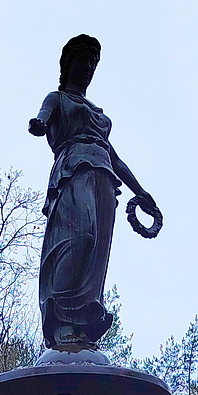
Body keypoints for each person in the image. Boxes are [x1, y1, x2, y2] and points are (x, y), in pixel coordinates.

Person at [29, 34, 157, 348]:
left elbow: (114, 157)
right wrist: (39, 125)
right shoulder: (57, 99)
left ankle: (82, 324)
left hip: (104, 178)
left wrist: (141, 192)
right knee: (80, 237)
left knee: (98, 251)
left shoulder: (98, 113)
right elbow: (41, 119)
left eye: (92, 63)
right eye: (82, 61)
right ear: (67, 64)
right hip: (74, 168)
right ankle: (61, 317)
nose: (87, 67)